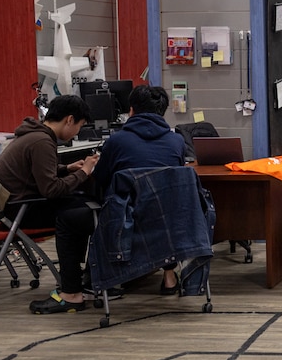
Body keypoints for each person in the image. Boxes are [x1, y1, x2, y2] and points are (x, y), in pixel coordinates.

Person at [26, 85, 186, 313]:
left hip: (124, 221)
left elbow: (100, 181)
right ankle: (170, 278)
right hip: (166, 220)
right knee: (157, 204)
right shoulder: (177, 142)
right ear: (162, 112)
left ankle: (72, 292)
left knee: (68, 217)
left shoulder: (117, 142)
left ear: (131, 111)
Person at [0, 95, 99, 312]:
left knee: (82, 203)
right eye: (79, 125)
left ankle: (79, 278)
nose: (77, 132)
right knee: (81, 212)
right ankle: (73, 288)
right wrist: (86, 171)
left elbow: (37, 174)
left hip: (13, 206)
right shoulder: (41, 142)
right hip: (21, 210)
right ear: (69, 119)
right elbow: (51, 190)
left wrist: (66, 169)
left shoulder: (34, 135)